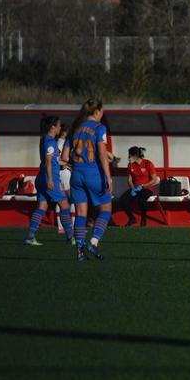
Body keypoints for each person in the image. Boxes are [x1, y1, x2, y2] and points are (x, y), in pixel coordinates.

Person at [64, 99, 113, 261]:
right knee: (105, 209)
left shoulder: (74, 128)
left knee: (80, 214)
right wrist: (108, 177)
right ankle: (93, 242)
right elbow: (101, 154)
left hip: (76, 175)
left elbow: (65, 157)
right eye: (102, 111)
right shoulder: (99, 128)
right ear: (97, 111)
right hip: (94, 174)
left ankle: (80, 251)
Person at [24, 116, 74, 246]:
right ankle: (71, 237)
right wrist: (51, 180)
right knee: (65, 205)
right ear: (52, 127)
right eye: (58, 125)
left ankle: (30, 237)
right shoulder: (50, 142)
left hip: (41, 177)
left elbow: (52, 160)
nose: (60, 128)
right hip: (49, 178)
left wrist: (65, 164)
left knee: (42, 207)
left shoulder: (44, 140)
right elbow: (48, 161)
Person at [118, 146, 160, 227]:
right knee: (123, 200)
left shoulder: (148, 163)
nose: (128, 158)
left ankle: (143, 219)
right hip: (135, 188)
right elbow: (129, 179)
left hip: (146, 188)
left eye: (129, 155)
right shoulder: (130, 165)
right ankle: (132, 219)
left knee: (141, 200)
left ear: (135, 156)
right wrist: (132, 188)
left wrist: (143, 186)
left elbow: (154, 179)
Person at [54, 125, 72, 235]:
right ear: (65, 133)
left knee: (60, 199)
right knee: (71, 199)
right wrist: (68, 164)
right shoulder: (63, 143)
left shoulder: (56, 142)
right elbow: (59, 160)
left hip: (58, 173)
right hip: (65, 173)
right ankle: (72, 226)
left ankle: (61, 227)